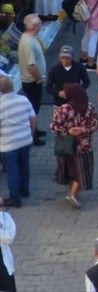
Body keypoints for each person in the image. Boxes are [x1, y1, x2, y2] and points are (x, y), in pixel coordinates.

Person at [50, 83, 98, 209]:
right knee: (82, 170)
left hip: (67, 146)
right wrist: (83, 130)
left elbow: (54, 126)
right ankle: (72, 194)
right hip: (84, 146)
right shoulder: (90, 107)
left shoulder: (63, 109)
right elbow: (96, 123)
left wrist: (68, 131)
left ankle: (71, 193)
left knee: (71, 170)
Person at [0, 76, 35, 208]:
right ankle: (24, 191)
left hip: (8, 144)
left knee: (12, 171)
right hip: (25, 140)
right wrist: (30, 134)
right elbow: (33, 119)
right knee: (24, 166)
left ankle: (15, 199)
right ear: (12, 86)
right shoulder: (23, 100)